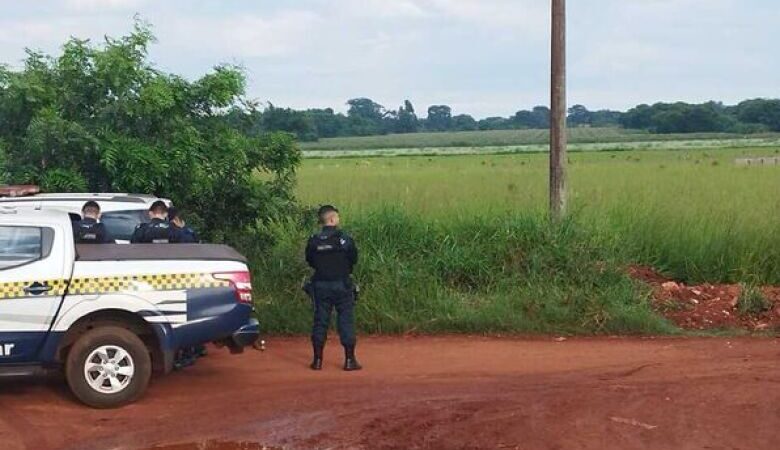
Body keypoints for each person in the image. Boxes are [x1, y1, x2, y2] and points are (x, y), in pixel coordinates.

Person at [305, 205, 361, 371]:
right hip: (342, 284)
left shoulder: (314, 240)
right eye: (336, 217)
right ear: (331, 219)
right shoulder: (344, 239)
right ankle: (350, 360)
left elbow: (310, 261)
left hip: (320, 285)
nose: (338, 220)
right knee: (345, 320)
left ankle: (317, 361)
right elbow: (353, 258)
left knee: (320, 321)